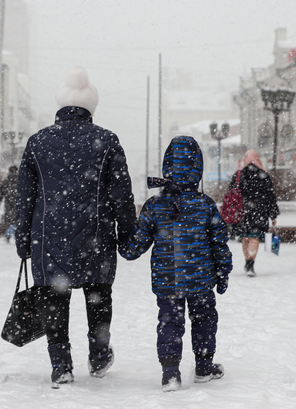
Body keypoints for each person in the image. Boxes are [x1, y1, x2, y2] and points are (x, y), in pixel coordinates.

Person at [15, 67, 136, 388]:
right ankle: (98, 356)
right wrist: (127, 234)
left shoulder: (37, 142)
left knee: (54, 300)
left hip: (48, 238)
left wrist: (23, 239)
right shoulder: (107, 141)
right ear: (91, 108)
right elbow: (122, 195)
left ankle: (61, 365)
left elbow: (24, 197)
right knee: (98, 297)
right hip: (95, 238)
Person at [119, 136, 233, 392]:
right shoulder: (205, 206)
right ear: (198, 170)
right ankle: (204, 366)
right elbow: (219, 242)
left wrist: (121, 243)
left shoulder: (155, 206)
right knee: (204, 319)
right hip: (201, 278)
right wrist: (223, 270)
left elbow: (135, 246)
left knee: (170, 322)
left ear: (166, 167)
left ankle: (170, 373)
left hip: (167, 279)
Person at [235, 149, 279, 277]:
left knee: (245, 237)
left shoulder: (240, 174)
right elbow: (270, 196)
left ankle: (247, 260)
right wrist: (273, 215)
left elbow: (233, 194)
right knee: (254, 237)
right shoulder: (263, 175)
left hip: (244, 211)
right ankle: (251, 263)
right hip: (260, 211)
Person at [0, 166, 19, 242]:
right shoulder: (20, 180)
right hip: (18, 204)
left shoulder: (6, 181)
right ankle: (15, 237)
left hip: (8, 204)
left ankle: (9, 235)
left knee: (10, 221)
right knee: (16, 221)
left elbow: (0, 194)